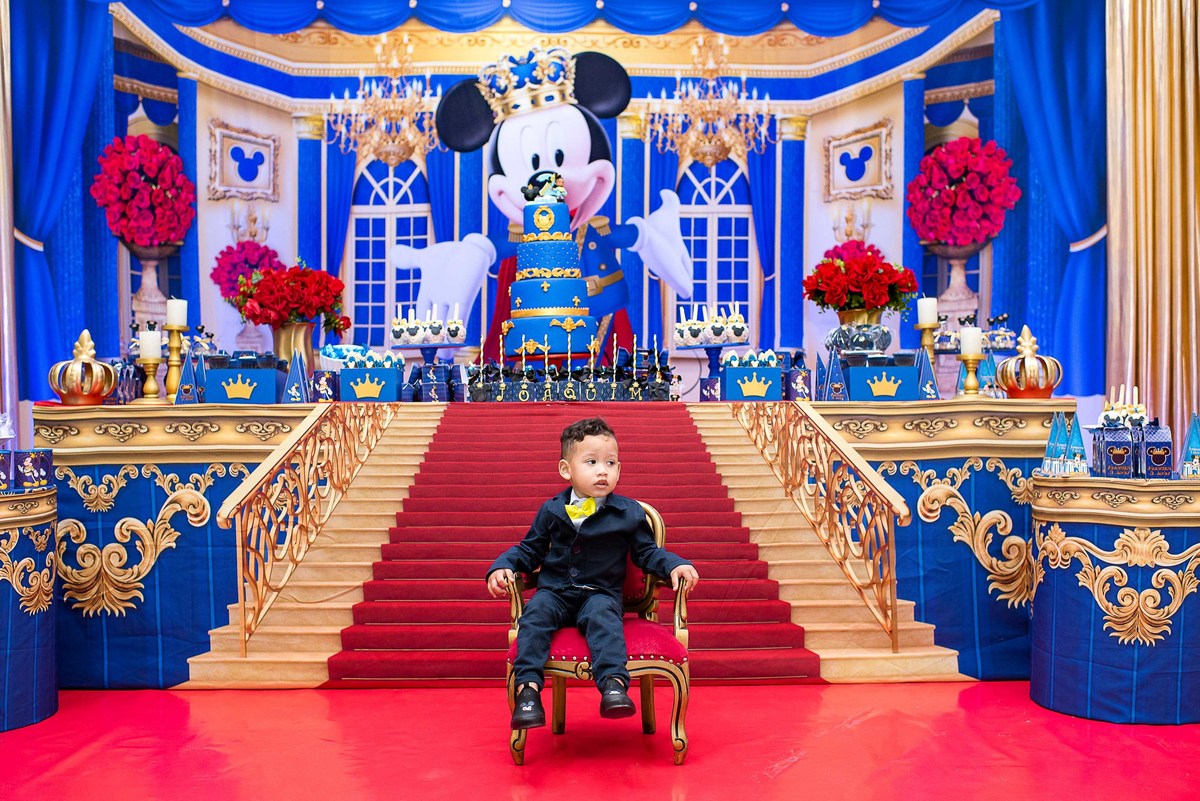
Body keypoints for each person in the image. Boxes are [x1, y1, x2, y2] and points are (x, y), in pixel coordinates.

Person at [486, 417, 701, 729]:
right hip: (555, 593)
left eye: (610, 463)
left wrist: (674, 564)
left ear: (619, 470)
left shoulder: (628, 512)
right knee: (535, 616)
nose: (603, 470)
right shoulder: (551, 510)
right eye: (592, 462)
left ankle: (613, 684)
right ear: (566, 469)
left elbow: (647, 553)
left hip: (600, 594)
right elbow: (529, 549)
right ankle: (528, 691)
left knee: (604, 618)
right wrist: (503, 565)